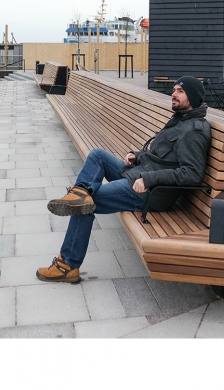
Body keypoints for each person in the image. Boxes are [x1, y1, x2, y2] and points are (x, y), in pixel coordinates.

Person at [36, 76, 211, 283]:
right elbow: (163, 155)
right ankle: (80, 191)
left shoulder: (194, 132)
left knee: (83, 205)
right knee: (98, 155)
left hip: (151, 192)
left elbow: (192, 173)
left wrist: (149, 179)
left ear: (192, 96)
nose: (173, 94)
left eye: (179, 92)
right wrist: (138, 156)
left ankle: (68, 265)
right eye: (174, 90)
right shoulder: (181, 119)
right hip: (139, 173)